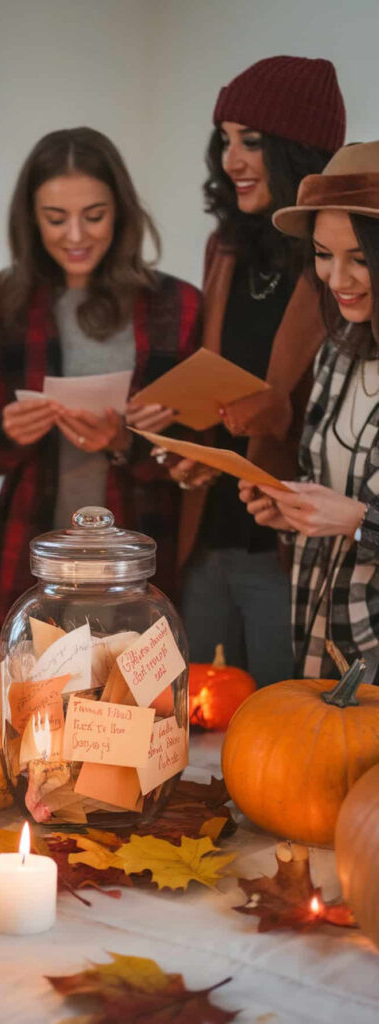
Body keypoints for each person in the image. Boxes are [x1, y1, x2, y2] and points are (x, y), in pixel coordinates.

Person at [0, 126, 201, 638]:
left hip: (137, 565)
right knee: (25, 710)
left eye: (94, 216)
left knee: (132, 709)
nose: (75, 235)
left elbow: (197, 459)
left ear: (121, 211)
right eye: (55, 218)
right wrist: (8, 432)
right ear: (31, 219)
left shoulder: (175, 306)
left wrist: (128, 443)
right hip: (28, 553)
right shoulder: (2, 304)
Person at [171, 56, 346, 686]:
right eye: (224, 140)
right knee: (193, 727)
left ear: (298, 152)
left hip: (287, 545)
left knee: (280, 717)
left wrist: (277, 414)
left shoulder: (339, 267)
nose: (230, 160)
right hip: (208, 533)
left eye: (251, 142)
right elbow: (212, 384)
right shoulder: (224, 248)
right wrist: (183, 446)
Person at [240, 141, 379, 680]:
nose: (336, 279)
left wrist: (355, 520)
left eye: (360, 259)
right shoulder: (337, 351)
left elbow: (354, 515)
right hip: (325, 648)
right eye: (323, 254)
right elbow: (332, 495)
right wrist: (292, 512)